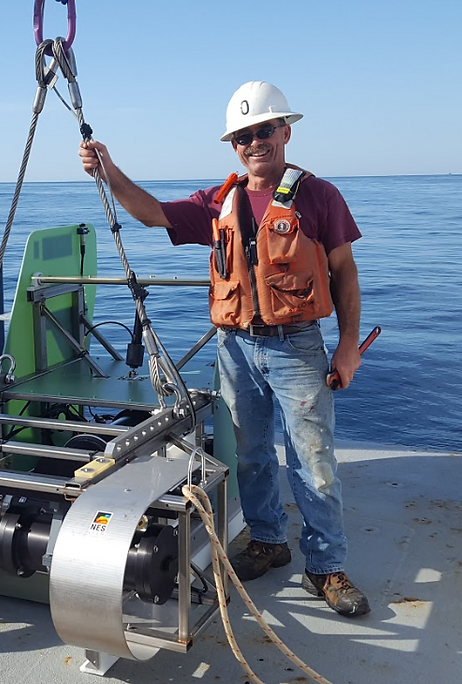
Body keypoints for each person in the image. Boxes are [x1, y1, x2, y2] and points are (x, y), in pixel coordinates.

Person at [79, 81, 370, 618]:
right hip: (234, 347)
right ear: (233, 145)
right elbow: (152, 213)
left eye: (263, 130)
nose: (254, 142)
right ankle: (267, 541)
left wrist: (348, 345)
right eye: (243, 136)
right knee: (250, 455)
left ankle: (326, 567)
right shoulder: (219, 200)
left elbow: (344, 271)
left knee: (313, 460)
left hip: (298, 347)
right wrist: (109, 171)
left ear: (285, 131)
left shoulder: (319, 195)